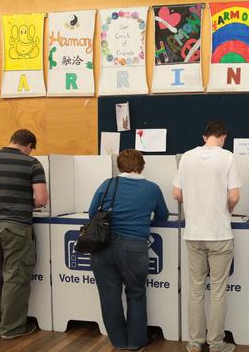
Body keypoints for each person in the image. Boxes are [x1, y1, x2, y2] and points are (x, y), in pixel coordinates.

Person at [0, 129, 48, 339]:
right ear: (29, 145)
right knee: (15, 276)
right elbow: (41, 200)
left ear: (12, 140)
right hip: (16, 227)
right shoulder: (32, 163)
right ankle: (11, 328)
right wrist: (20, 203)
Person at [88, 149, 169, 350]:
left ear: (119, 166)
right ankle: (136, 342)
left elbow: (92, 213)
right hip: (134, 247)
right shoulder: (152, 189)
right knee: (136, 293)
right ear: (142, 166)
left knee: (109, 296)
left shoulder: (107, 184)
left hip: (103, 247)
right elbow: (163, 216)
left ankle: (118, 341)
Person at [172, 121, 241, 352]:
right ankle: (216, 344)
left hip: (193, 234)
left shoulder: (187, 157)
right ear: (223, 137)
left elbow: (176, 193)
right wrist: (225, 210)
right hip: (219, 233)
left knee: (196, 289)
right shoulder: (227, 157)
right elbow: (233, 196)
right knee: (219, 290)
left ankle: (194, 343)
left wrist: (195, 203)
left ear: (204, 137)